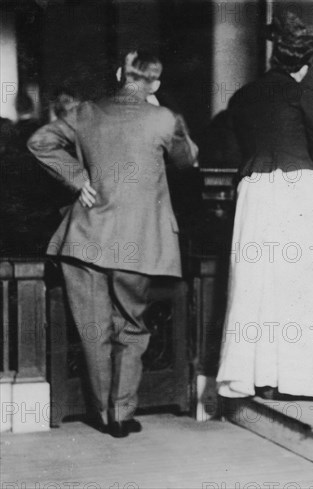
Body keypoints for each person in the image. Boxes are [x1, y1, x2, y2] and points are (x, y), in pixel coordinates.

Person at [28, 50, 198, 437]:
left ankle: (102, 414)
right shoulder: (162, 118)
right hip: (138, 240)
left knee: (92, 330)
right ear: (154, 83)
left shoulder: (86, 112)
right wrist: (165, 112)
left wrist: (76, 177)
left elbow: (39, 141)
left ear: (121, 73)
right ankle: (121, 414)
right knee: (132, 327)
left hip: (84, 239)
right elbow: (187, 160)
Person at [216, 11, 313, 400]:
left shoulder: (242, 97)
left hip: (255, 192)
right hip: (298, 192)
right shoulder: (303, 94)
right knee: (303, 287)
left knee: (257, 286)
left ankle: (261, 377)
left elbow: (232, 151)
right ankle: (303, 380)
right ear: (306, 62)